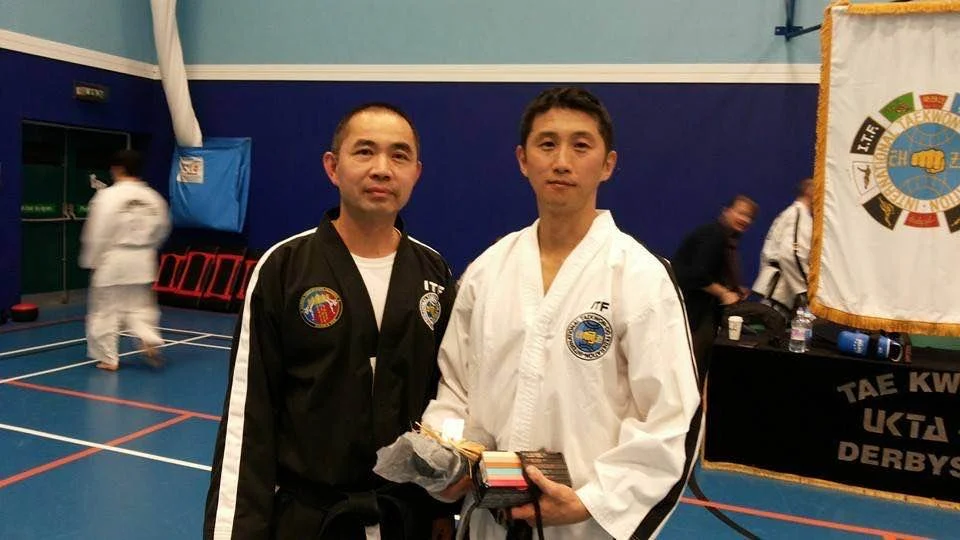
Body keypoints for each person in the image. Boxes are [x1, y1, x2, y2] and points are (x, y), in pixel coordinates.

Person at [419, 87, 702, 539]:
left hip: (584, 526)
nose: (562, 161)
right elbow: (455, 389)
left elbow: (670, 416)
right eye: (547, 144)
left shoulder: (640, 276)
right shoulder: (487, 271)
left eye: (581, 145)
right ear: (522, 159)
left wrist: (592, 501)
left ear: (608, 164)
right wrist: (449, 455)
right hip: (487, 521)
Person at [203, 103, 458, 540]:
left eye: (399, 156)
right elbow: (250, 418)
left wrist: (439, 509)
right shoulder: (284, 268)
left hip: (406, 517)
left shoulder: (433, 273)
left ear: (416, 172)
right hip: (311, 520)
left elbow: (446, 398)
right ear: (332, 167)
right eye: (364, 152)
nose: (382, 169)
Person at [79, 149, 171, 371]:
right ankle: (148, 337)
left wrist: (92, 260)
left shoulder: (107, 196)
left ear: (117, 169)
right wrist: (148, 249)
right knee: (139, 307)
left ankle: (108, 358)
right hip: (142, 261)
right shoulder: (153, 198)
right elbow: (163, 229)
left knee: (105, 311)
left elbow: (97, 232)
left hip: (113, 261)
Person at [672, 195, 758, 384]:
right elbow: (695, 274)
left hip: (702, 312)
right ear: (726, 211)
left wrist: (734, 289)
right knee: (692, 373)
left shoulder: (725, 238)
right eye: (741, 213)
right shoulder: (714, 235)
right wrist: (724, 293)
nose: (745, 219)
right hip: (693, 314)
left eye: (749, 217)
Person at [752, 178, 813, 320]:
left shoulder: (791, 213)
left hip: (776, 291)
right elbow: (792, 254)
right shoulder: (799, 214)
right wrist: (807, 290)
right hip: (780, 293)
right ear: (810, 191)